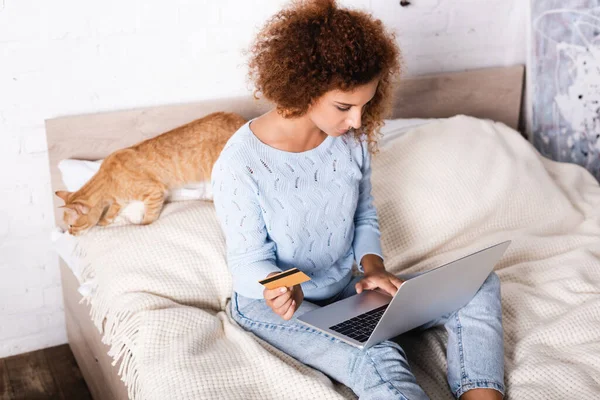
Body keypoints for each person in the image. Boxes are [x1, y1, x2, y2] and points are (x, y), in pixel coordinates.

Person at [211, 1, 504, 399]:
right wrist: (285, 285)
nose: (356, 121)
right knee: (373, 352)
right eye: (344, 107)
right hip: (273, 306)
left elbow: (363, 215)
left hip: (343, 288)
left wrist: (374, 268)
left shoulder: (349, 142)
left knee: (475, 284)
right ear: (303, 87)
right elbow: (248, 264)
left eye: (365, 106)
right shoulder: (241, 163)